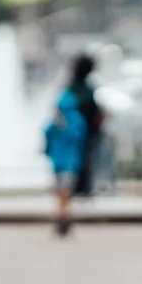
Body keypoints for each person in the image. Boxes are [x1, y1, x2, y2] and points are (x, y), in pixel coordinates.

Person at [45, 82, 88, 237]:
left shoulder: (59, 120)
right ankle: (64, 214)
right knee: (65, 190)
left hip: (60, 161)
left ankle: (62, 214)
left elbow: (47, 136)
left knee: (62, 190)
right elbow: (81, 138)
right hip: (70, 161)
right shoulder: (75, 119)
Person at [67, 54, 103, 199]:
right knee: (84, 160)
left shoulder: (72, 88)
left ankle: (77, 188)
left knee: (78, 161)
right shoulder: (85, 89)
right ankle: (81, 188)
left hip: (76, 132)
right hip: (83, 132)